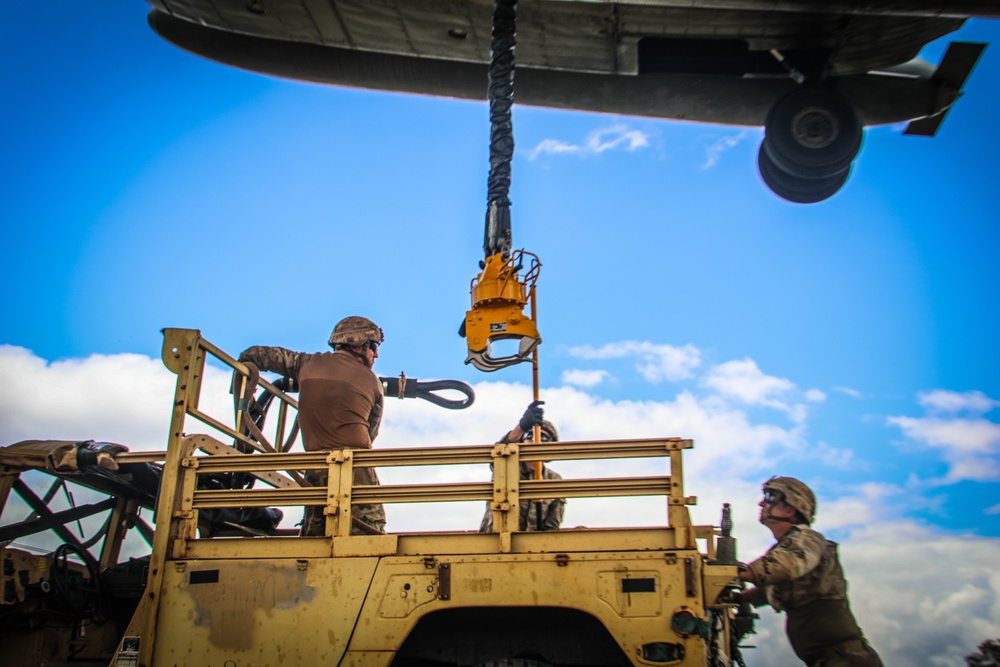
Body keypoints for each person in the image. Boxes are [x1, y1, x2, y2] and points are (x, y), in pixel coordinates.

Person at [238, 316, 386, 536]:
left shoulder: (305, 364)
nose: (376, 354)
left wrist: (245, 390)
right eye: (373, 347)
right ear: (357, 344)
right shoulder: (372, 382)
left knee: (317, 537)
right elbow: (371, 432)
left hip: (316, 470)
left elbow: (255, 354)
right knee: (368, 538)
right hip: (357, 471)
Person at [735, 476, 883, 667]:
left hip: (846, 660)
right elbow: (773, 588)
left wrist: (732, 572)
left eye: (771, 497)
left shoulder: (807, 539)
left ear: (790, 509)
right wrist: (740, 598)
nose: (761, 502)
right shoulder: (789, 546)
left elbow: (786, 566)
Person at [479, 401, 565, 532]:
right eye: (529, 435)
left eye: (543, 437)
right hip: (495, 541)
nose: (535, 439)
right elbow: (500, 452)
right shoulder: (508, 468)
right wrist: (521, 427)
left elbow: (552, 527)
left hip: (533, 547)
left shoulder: (554, 480)